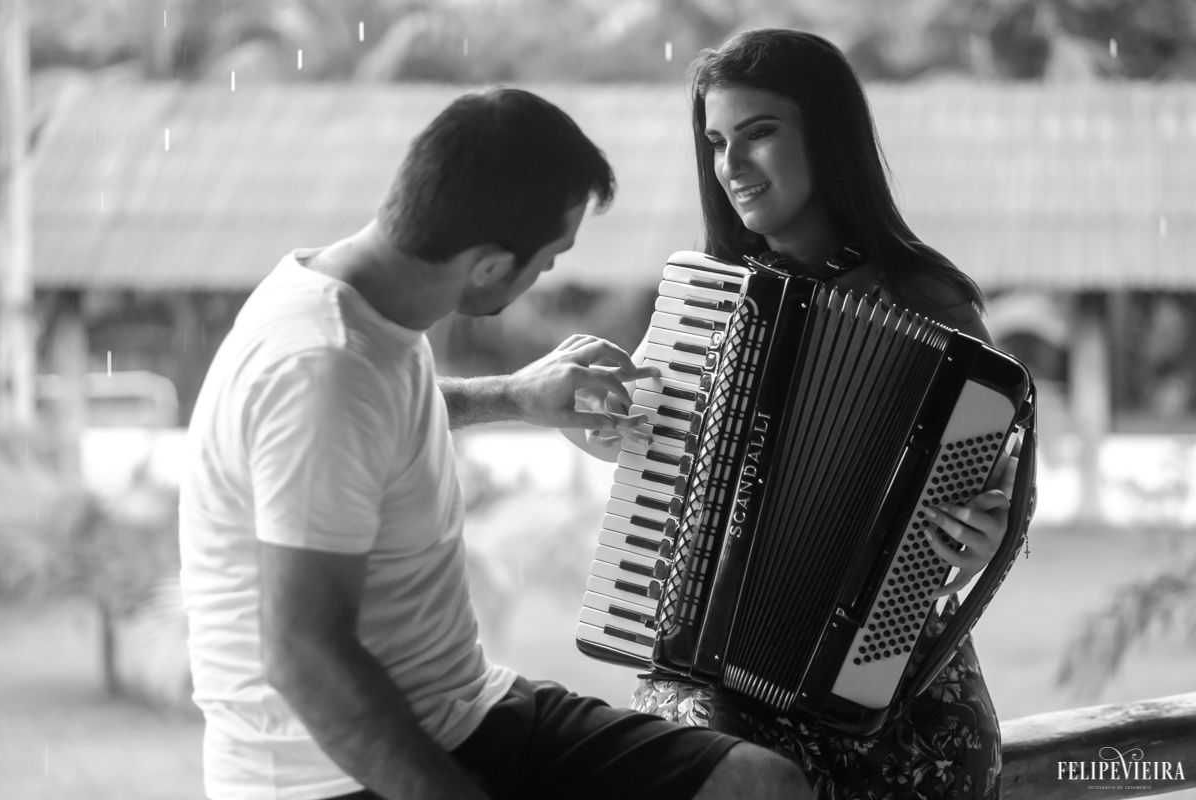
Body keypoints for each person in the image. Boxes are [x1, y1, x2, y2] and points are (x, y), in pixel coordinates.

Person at [179, 86, 813, 800]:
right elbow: (303, 657)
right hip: (331, 774)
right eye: (547, 258)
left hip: (469, 709)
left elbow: (378, 417)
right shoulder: (322, 367)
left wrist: (513, 396)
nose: (547, 274)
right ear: (487, 265)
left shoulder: (359, 297)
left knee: (759, 785)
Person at [564, 30, 1023, 799]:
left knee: (954, 758)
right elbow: (639, 439)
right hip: (711, 659)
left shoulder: (933, 303)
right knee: (708, 754)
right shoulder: (706, 301)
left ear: (829, 136)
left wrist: (985, 535)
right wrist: (597, 417)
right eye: (715, 143)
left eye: (759, 134)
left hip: (885, 673)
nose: (731, 167)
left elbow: (999, 500)